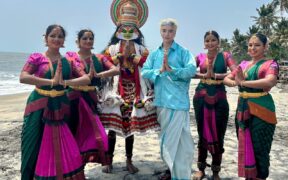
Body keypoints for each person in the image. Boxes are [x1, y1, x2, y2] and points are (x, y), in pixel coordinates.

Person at [20, 24, 91, 179]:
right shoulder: (37, 58)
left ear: (64, 40)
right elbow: (23, 77)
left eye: (60, 36)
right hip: (38, 104)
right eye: (52, 36)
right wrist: (51, 82)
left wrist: (65, 82)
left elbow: (85, 78)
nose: (56, 39)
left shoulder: (69, 60)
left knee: (58, 145)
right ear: (45, 38)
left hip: (61, 105)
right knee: (32, 143)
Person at [100, 0, 159, 174]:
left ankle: (128, 160)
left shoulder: (142, 49)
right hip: (116, 91)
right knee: (112, 127)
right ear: (118, 29)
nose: (127, 32)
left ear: (136, 30)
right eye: (123, 28)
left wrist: (135, 58)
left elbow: (149, 66)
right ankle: (108, 160)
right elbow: (104, 64)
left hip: (135, 89)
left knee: (130, 129)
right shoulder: (111, 49)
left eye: (130, 29)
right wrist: (117, 58)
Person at [141, 18, 196, 180]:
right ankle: (173, 173)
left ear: (175, 33)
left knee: (184, 142)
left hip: (179, 102)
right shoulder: (155, 54)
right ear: (160, 32)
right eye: (164, 30)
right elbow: (145, 71)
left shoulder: (183, 52)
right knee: (168, 141)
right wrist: (159, 71)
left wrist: (172, 70)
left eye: (170, 31)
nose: (167, 34)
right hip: (163, 102)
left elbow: (191, 70)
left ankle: (181, 175)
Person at [223, 33, 279, 180]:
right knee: (245, 144)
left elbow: (269, 81)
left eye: (257, 45)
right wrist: (236, 82)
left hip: (262, 110)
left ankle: (260, 177)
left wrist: (243, 83)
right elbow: (226, 79)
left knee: (260, 147)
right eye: (250, 45)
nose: (253, 48)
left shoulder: (271, 64)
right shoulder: (243, 65)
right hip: (242, 109)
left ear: (265, 47)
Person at [65, 29, 119, 165]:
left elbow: (116, 70)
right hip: (72, 99)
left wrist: (98, 75)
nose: (88, 41)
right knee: (73, 130)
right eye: (85, 38)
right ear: (78, 41)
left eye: (91, 39)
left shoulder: (99, 58)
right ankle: (74, 165)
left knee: (91, 131)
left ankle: (84, 160)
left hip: (90, 98)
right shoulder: (70, 57)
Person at [192, 30, 237, 180]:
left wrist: (216, 76)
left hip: (219, 97)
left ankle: (216, 170)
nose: (210, 43)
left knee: (219, 132)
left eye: (213, 40)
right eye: (207, 41)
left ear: (218, 42)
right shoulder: (199, 57)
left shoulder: (226, 56)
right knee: (202, 131)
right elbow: (189, 71)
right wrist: (203, 75)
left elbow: (235, 71)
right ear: (204, 43)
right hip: (201, 96)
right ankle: (201, 168)